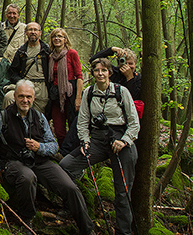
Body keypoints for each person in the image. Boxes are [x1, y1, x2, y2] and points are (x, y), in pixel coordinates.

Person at [0, 80, 94, 234]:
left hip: (39, 161)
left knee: (70, 187)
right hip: (14, 162)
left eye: (28, 96)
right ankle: (27, 221)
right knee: (28, 177)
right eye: (21, 96)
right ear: (14, 97)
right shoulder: (2, 117)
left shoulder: (39, 118)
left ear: (34, 98)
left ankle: (87, 229)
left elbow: (53, 145)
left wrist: (39, 147)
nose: (25, 100)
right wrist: (1, 167)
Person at [60, 58, 140, 235]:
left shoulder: (122, 91)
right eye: (97, 70)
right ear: (93, 73)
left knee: (122, 191)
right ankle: (81, 211)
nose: (100, 73)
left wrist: (125, 140)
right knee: (65, 166)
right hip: (96, 139)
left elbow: (134, 122)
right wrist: (84, 140)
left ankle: (123, 231)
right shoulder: (89, 93)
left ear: (110, 73)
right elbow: (82, 121)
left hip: (120, 141)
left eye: (104, 70)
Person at [4, 22, 51, 115]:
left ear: (40, 32)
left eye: (35, 30)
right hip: (26, 84)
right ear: (25, 32)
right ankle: (9, 125)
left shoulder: (46, 50)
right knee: (8, 98)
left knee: (39, 116)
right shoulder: (21, 51)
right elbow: (13, 71)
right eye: (30, 30)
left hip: (42, 87)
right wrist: (21, 82)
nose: (33, 32)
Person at [47, 28, 83, 146]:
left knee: (73, 124)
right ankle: (63, 150)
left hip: (70, 93)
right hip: (56, 95)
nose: (57, 38)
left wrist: (78, 98)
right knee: (58, 129)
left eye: (60, 36)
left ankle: (73, 151)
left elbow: (79, 76)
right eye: (54, 36)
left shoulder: (72, 53)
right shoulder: (50, 57)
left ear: (65, 39)